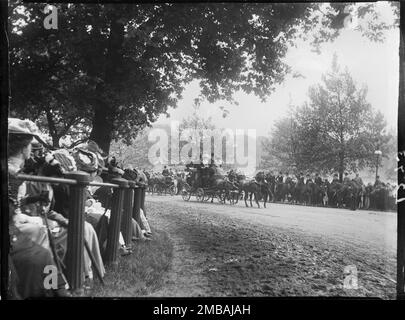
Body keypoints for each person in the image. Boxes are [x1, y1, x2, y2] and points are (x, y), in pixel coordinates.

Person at [8, 118, 69, 298]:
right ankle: (52, 288)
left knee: (39, 230)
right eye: (30, 145)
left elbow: (15, 206)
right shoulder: (13, 173)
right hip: (11, 229)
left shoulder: (16, 170)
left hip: (14, 221)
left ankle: (53, 285)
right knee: (40, 238)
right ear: (24, 148)